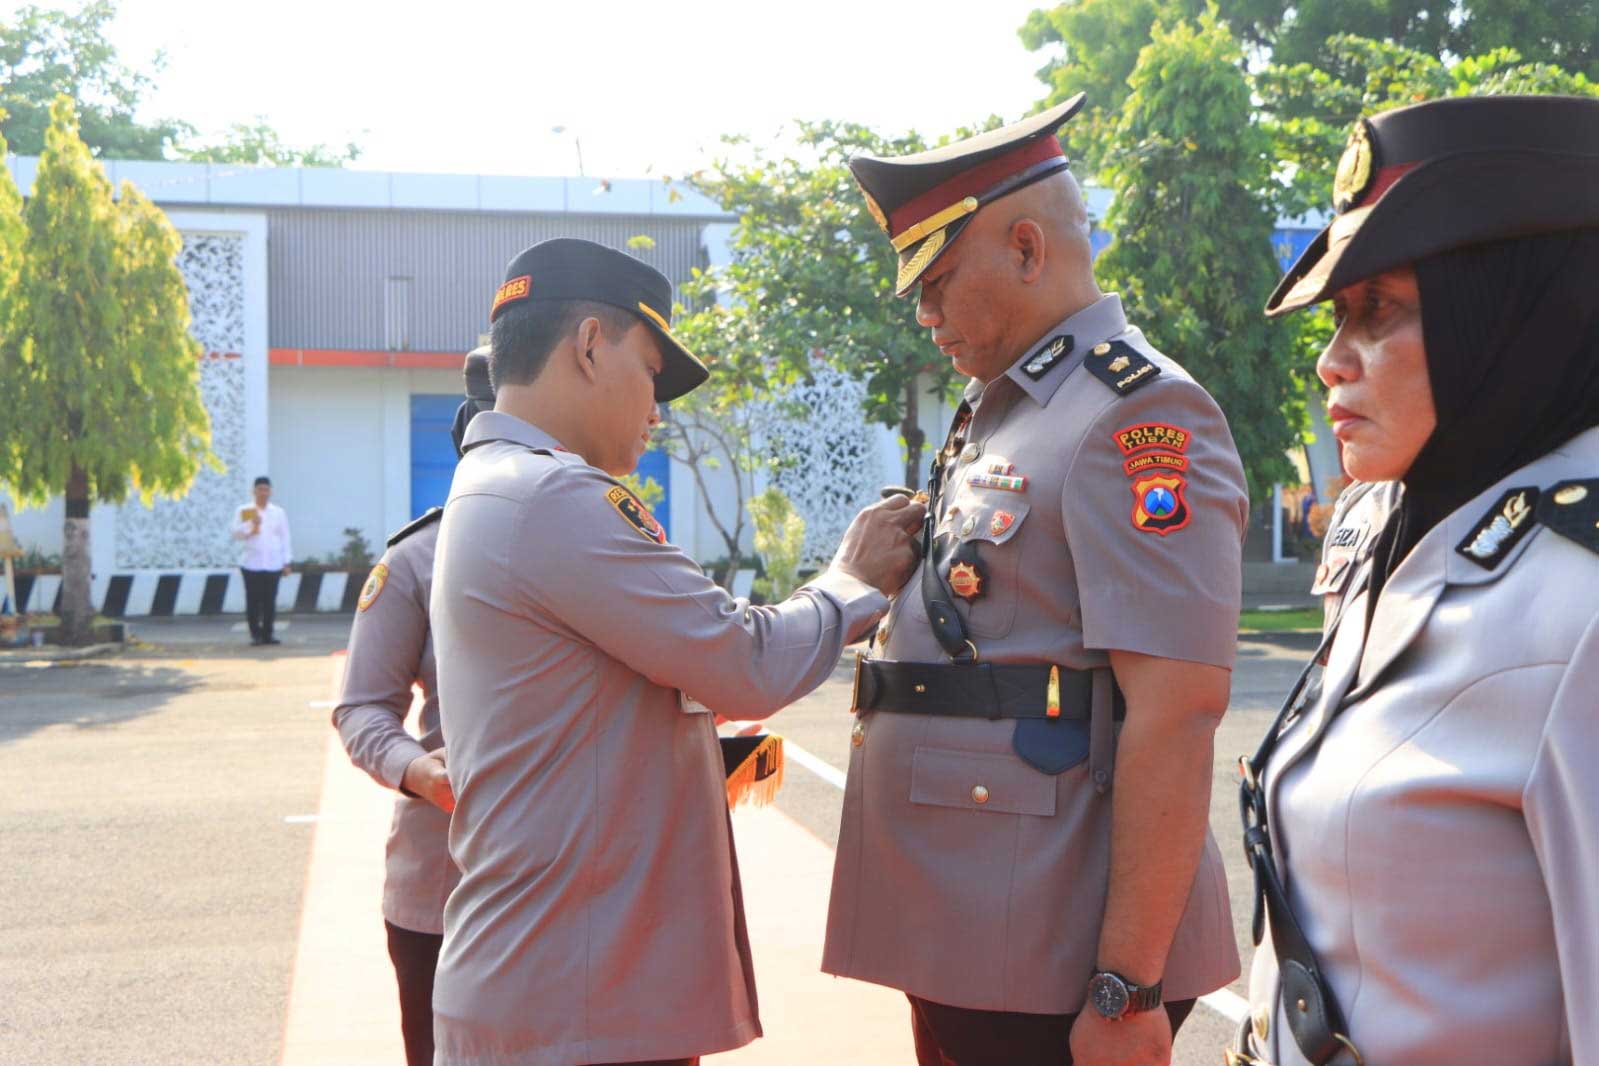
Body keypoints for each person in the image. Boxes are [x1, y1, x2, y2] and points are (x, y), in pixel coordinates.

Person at [825, 95, 1248, 1066]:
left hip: (1050, 942)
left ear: (1027, 248)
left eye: (937, 280)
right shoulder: (1006, 408)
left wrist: (1126, 986)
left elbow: (1177, 712)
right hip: (979, 922)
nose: (923, 312)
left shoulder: (1141, 416)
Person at [429, 238, 924, 1066]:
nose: (656, 409)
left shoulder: (498, 484)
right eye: (651, 373)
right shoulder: (554, 496)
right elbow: (745, 661)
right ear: (590, 345)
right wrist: (849, 580)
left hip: (553, 979)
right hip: (579, 998)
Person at [1235, 94, 1599, 1066]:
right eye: (1338, 314)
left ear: (1511, 307)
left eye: (1378, 310)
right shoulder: (1392, 523)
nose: (1329, 361)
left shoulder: (1583, 601)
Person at [330, 347, 492, 1066]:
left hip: (576, 885)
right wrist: (418, 772)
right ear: (468, 433)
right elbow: (363, 706)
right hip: (444, 882)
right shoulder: (415, 561)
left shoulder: (609, 545)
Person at [231, 475, 292, 645]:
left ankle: (268, 634)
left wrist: (287, 561)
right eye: (260, 490)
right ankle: (255, 634)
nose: (263, 493)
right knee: (253, 601)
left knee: (269, 601)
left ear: (270, 491)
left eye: (266, 490)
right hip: (251, 563)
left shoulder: (278, 512)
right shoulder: (245, 511)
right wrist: (251, 525)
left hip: (273, 563)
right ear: (253, 491)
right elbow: (236, 533)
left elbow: (284, 537)